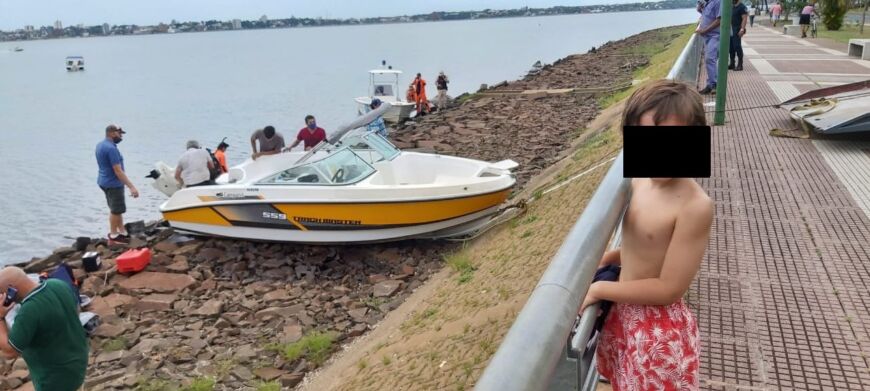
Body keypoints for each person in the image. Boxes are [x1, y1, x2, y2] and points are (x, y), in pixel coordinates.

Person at [582, 80, 713, 390]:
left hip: (658, 333)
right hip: (625, 316)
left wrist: (600, 289)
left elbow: (668, 289)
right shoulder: (640, 181)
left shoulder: (695, 206)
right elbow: (641, 248)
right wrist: (609, 258)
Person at [0, 266, 89, 391]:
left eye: (2, 293)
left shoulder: (29, 310)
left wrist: (0, 317)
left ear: (11, 289)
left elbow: (10, 352)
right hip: (77, 362)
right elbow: (76, 309)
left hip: (54, 379)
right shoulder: (58, 284)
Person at [95, 124, 138, 245]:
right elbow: (118, 170)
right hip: (113, 183)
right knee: (115, 210)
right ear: (112, 133)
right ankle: (113, 235)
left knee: (116, 209)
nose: (121, 136)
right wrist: (131, 187)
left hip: (103, 181)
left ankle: (122, 231)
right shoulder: (111, 149)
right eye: (120, 134)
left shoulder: (100, 145)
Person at [696, 0, 722, 95]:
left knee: (710, 59)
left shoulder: (718, 2)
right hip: (707, 37)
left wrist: (704, 30)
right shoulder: (708, 3)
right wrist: (700, 10)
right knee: (710, 60)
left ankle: (714, 84)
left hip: (715, 36)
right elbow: (708, 17)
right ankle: (710, 84)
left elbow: (719, 20)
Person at [729, 0, 749, 71]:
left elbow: (744, 18)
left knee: (737, 46)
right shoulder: (731, 6)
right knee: (730, 47)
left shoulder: (742, 7)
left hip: (737, 29)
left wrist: (742, 29)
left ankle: (740, 64)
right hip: (730, 29)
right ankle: (732, 63)